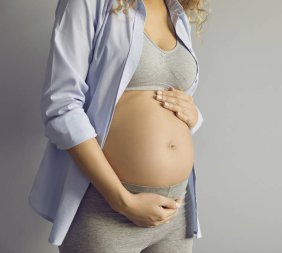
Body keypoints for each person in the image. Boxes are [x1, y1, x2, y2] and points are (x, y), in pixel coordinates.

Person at [27, 0, 209, 252]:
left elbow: (160, 94)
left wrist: (194, 115)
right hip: (106, 208)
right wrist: (122, 201)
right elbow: (61, 104)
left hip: (176, 212)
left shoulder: (175, 9)